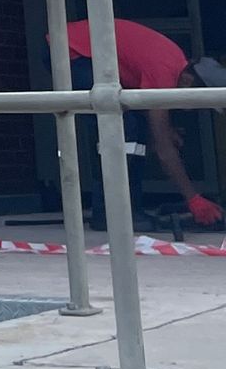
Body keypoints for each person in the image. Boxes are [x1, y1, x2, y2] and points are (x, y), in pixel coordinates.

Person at [63, 18, 226, 228]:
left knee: (136, 128)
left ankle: (129, 209)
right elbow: (164, 150)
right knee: (121, 127)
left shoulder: (174, 63)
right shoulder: (163, 73)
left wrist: (164, 132)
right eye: (199, 103)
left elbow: (155, 129)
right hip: (71, 50)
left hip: (82, 48)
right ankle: (107, 213)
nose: (195, 109)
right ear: (188, 82)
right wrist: (193, 199)